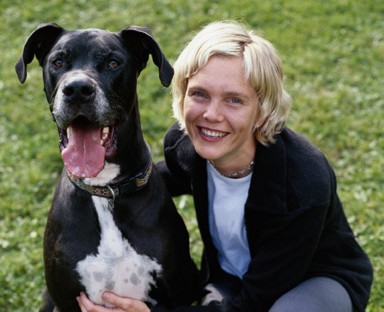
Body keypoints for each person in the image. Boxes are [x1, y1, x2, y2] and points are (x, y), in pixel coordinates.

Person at [77, 21, 373, 312]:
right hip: (230, 277)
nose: (211, 115)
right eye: (199, 94)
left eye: (234, 100)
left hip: (313, 280)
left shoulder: (303, 183)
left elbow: (254, 302)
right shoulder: (185, 147)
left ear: (263, 111)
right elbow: (156, 180)